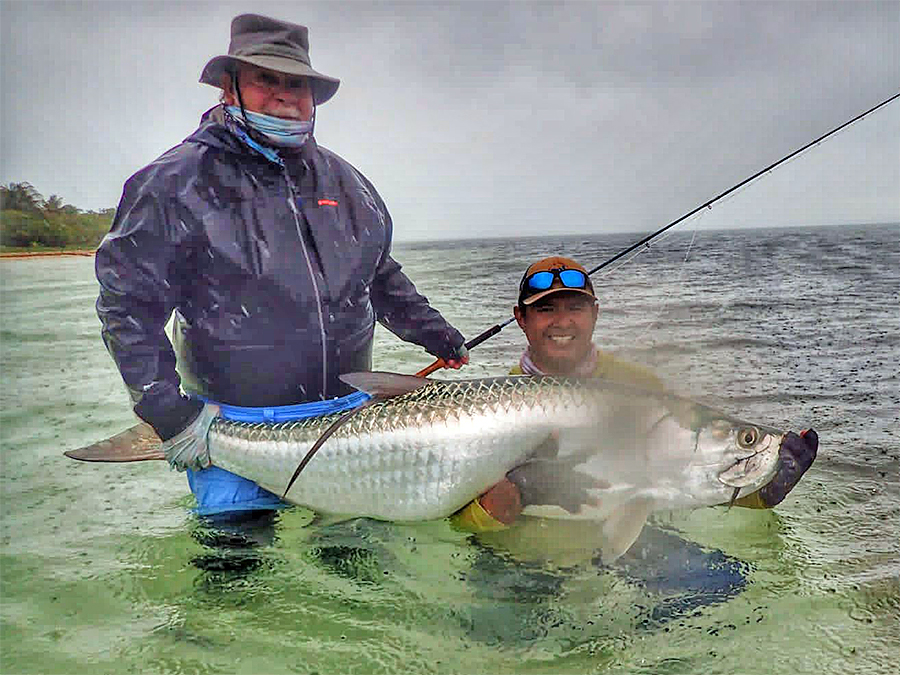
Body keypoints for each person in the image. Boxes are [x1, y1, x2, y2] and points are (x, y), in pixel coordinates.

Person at [95, 14, 468, 517]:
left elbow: (378, 274)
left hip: (347, 420)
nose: (285, 94)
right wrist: (167, 412)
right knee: (233, 568)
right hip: (233, 423)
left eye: (297, 84)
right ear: (229, 88)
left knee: (354, 566)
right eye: (265, 79)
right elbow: (128, 309)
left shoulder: (347, 181)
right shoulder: (172, 182)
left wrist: (434, 333)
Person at [454, 255, 818, 532]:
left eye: (575, 308)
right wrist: (512, 497)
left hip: (628, 553)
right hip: (525, 559)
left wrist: (760, 492)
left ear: (595, 314)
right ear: (521, 318)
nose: (562, 322)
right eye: (546, 309)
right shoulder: (484, 412)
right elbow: (456, 525)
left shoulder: (645, 390)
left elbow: (677, 482)